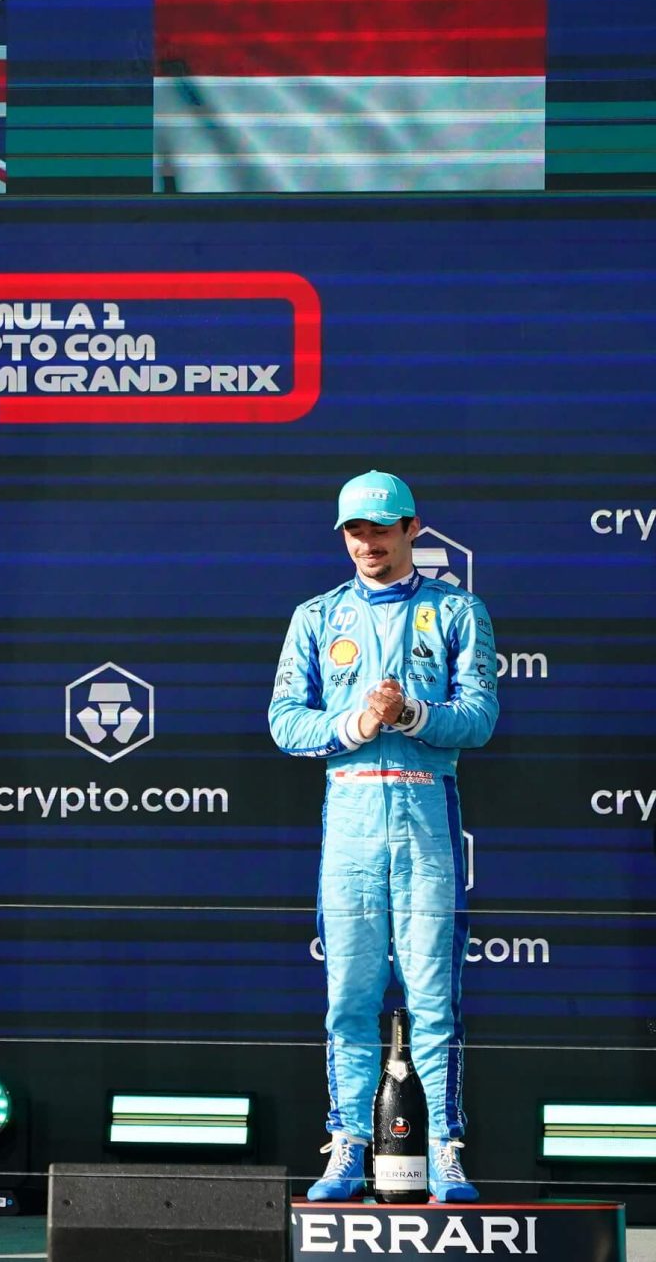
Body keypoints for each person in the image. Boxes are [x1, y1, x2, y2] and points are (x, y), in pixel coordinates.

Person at [270, 471, 498, 1204]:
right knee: (350, 996)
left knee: (434, 997)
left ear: (412, 529)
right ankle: (347, 1147)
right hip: (351, 819)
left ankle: (445, 1151)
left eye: (382, 528)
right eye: (356, 530)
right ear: (343, 535)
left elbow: (479, 717)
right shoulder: (316, 616)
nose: (368, 542)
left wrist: (407, 716)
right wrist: (353, 726)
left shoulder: (457, 609)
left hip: (428, 813)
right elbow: (284, 721)